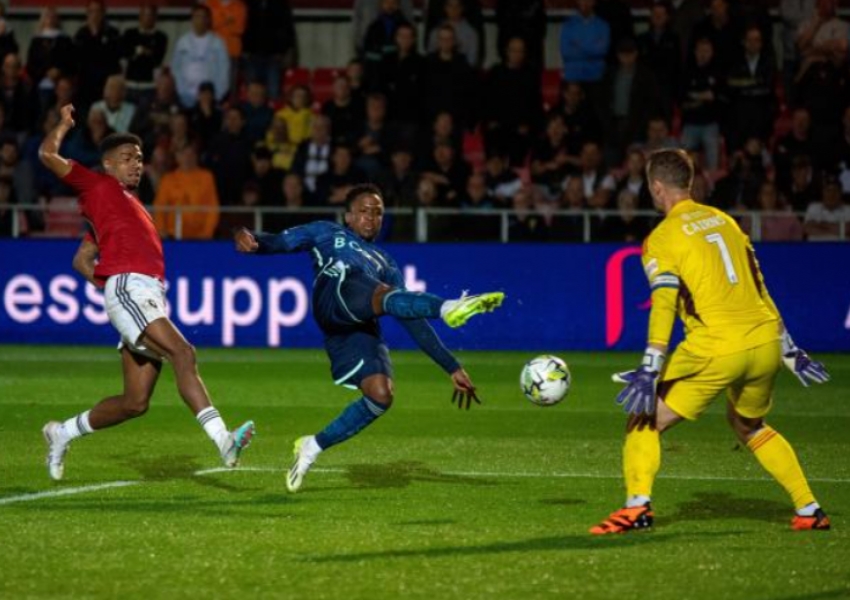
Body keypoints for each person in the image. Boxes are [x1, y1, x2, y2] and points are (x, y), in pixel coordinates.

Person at [591, 149, 831, 535]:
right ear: (689, 182)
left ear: (656, 187)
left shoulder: (662, 238)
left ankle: (637, 507)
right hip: (765, 341)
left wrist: (651, 366)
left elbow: (664, 302)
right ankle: (809, 508)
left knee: (643, 419)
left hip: (717, 348)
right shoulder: (726, 221)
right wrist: (789, 348)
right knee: (749, 424)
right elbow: (759, 285)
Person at [234, 184, 504, 491]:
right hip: (334, 296)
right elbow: (280, 241)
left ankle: (312, 446)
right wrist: (250, 237)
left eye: (378, 213)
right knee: (373, 289)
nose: (371, 218)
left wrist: (451, 366)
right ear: (348, 216)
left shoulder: (386, 263)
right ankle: (447, 306)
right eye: (364, 211)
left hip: (355, 327)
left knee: (381, 394)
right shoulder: (326, 232)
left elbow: (411, 320)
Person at [38, 104, 254, 481]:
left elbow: (81, 259)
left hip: (144, 292)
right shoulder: (98, 185)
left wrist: (107, 282)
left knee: (135, 403)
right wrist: (63, 124)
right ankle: (223, 440)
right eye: (126, 158)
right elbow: (46, 155)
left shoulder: (126, 205)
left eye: (139, 158)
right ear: (107, 165)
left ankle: (62, 432)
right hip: (131, 289)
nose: (136, 164)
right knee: (184, 353)